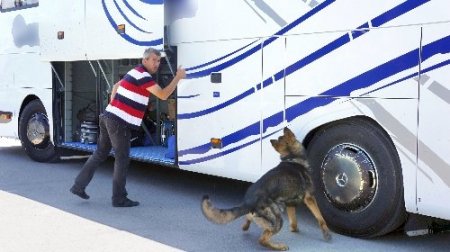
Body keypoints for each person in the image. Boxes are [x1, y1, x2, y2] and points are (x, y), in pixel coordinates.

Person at [70, 48, 186, 207]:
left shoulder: (135, 71)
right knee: (122, 159)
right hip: (118, 122)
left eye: (159, 61)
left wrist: (115, 104)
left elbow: (116, 86)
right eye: (154, 60)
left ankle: (78, 186)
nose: (157, 64)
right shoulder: (144, 76)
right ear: (144, 60)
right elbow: (164, 95)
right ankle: (118, 198)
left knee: (99, 154)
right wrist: (178, 78)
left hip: (108, 117)